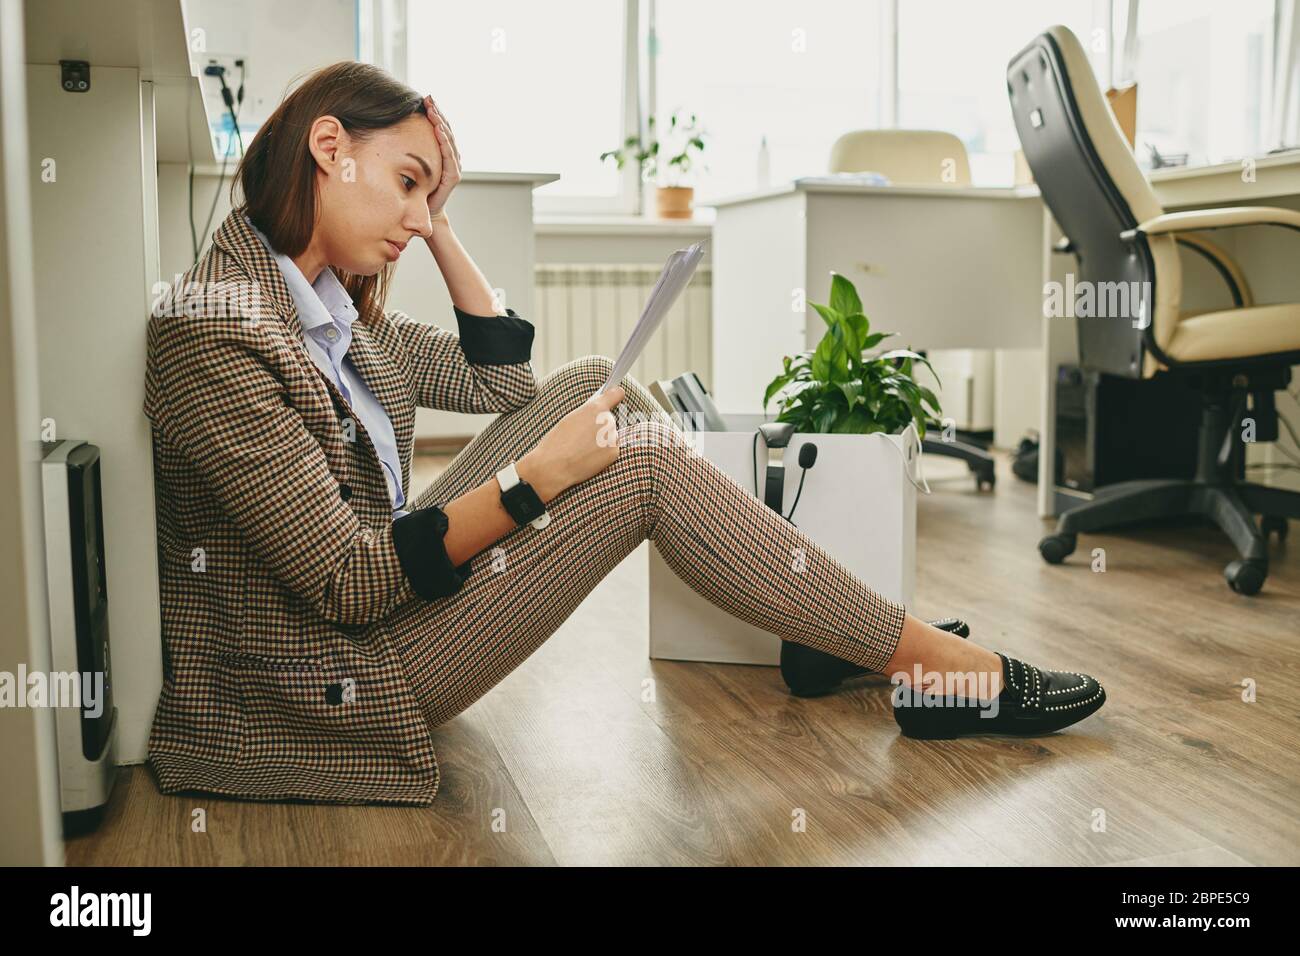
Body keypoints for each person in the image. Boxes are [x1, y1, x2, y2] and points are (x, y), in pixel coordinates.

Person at [143, 61, 1105, 808]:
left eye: (429, 197)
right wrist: (530, 485)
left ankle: (834, 637)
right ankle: (928, 663)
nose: (415, 217)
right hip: (330, 682)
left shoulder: (323, 306)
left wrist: (437, 225)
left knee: (586, 391)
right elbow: (350, 583)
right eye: (405, 184)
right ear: (327, 146)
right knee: (636, 460)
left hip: (369, 618)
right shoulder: (215, 331)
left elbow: (503, 379)